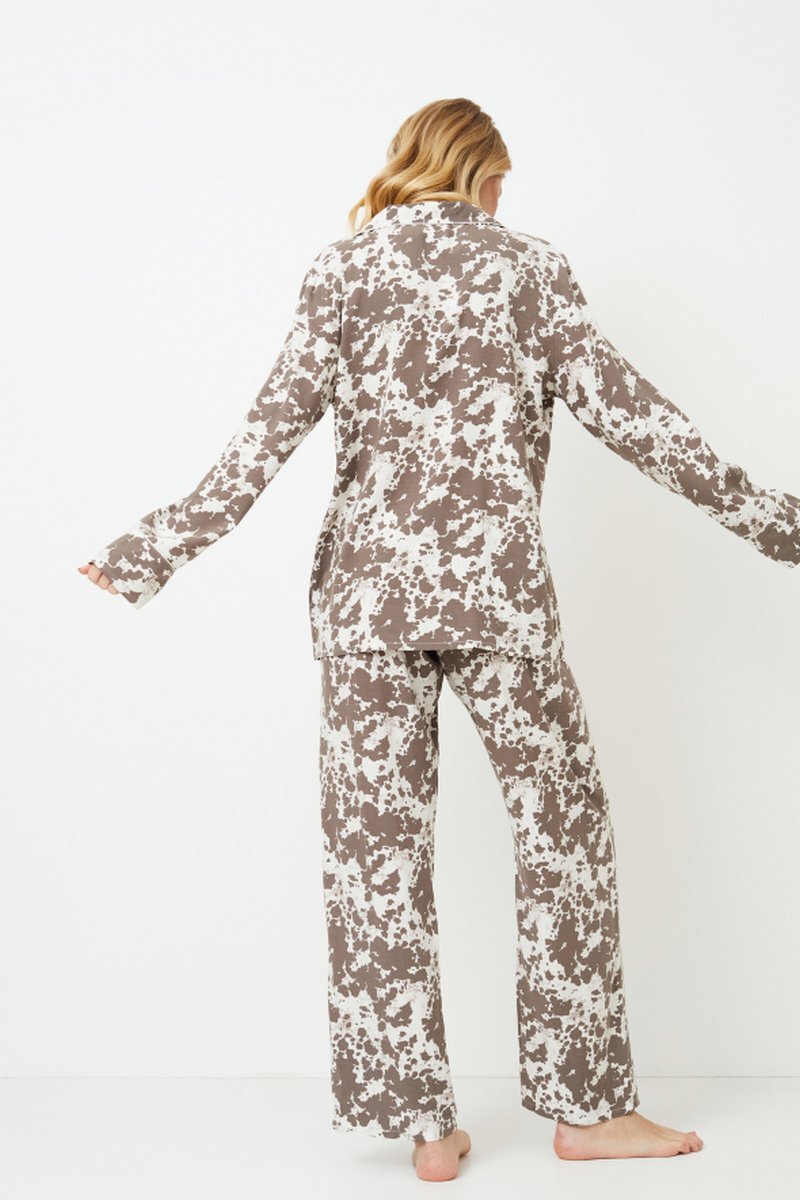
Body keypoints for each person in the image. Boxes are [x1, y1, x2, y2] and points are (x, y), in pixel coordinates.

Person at [78, 97, 799, 1182]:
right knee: (561, 832)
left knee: (375, 859)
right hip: (495, 600)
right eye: (501, 182)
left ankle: (424, 1130)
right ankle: (588, 1112)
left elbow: (262, 436)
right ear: (484, 174)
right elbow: (640, 420)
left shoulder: (342, 271)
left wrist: (151, 548)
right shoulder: (528, 268)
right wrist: (779, 525)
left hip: (365, 607)